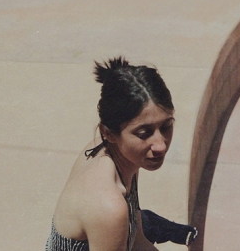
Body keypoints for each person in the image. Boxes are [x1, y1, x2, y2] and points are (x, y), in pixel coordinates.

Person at [46, 57, 196, 251]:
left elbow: (138, 241)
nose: (160, 145)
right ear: (108, 133)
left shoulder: (123, 156)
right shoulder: (108, 206)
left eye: (166, 126)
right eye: (144, 133)